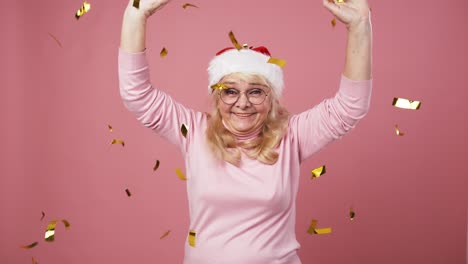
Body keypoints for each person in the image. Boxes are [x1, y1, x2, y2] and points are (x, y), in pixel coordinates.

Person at [118, 0, 372, 263]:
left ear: (271, 97)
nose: (242, 103)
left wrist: (360, 26)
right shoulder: (193, 131)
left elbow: (350, 107)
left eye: (255, 91)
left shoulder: (292, 136)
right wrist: (136, 13)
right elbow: (136, 95)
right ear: (216, 96)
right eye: (230, 91)